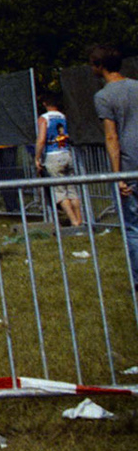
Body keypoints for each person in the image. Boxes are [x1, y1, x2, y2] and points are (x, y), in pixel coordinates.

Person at [90, 45, 138, 285]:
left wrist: (118, 176)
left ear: (99, 66)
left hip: (130, 164)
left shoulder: (103, 96)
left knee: (133, 228)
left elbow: (112, 137)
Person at [35, 93, 84, 229]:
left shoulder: (43, 118)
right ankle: (80, 219)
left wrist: (37, 157)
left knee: (60, 191)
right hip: (66, 153)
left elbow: (42, 139)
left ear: (45, 103)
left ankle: (73, 221)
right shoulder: (63, 117)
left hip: (52, 155)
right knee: (72, 189)